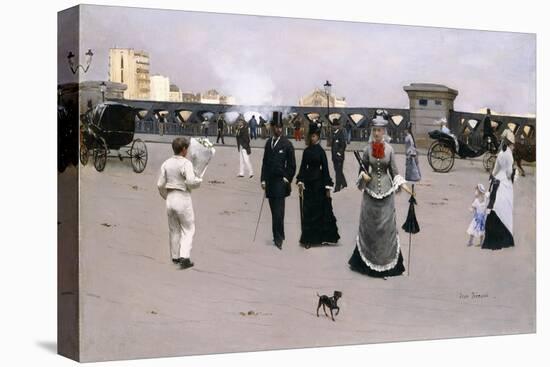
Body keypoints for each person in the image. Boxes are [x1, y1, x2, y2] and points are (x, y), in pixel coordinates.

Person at [348, 113, 414, 278]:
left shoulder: (390, 150)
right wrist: (364, 176)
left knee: (386, 229)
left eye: (379, 130)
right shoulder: (366, 150)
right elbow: (361, 171)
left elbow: (395, 173)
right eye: (374, 130)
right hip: (370, 194)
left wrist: (407, 188)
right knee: (369, 229)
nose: (377, 133)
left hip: (386, 194)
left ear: (384, 131)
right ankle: (367, 264)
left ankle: (387, 265)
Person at [157, 137, 203, 269]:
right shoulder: (186, 163)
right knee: (188, 228)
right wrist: (198, 181)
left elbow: (160, 184)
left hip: (170, 197)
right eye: (186, 148)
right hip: (182, 197)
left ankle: (175, 256)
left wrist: (166, 196)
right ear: (183, 149)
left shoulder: (166, 163)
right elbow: (190, 182)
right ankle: (185, 257)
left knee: (174, 229)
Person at [296, 122, 340, 248]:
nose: (313, 138)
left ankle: (320, 238)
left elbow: (325, 169)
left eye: (315, 136)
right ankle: (308, 239)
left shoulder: (321, 152)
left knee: (319, 211)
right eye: (311, 136)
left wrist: (327, 185)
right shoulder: (306, 151)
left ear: (318, 137)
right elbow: (303, 167)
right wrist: (300, 180)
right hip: (309, 183)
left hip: (319, 183)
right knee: (308, 210)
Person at [260, 111, 297, 249]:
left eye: (280, 127)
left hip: (281, 183)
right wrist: (263, 180)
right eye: (276, 127)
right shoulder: (268, 143)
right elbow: (264, 163)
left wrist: (287, 178)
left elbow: (292, 165)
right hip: (270, 183)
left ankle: (278, 238)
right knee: (273, 212)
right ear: (272, 127)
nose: (278, 129)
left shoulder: (287, 144)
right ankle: (279, 234)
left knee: (279, 212)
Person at [482, 129, 516, 250]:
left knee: (494, 206)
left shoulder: (501, 153)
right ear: (510, 144)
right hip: (504, 184)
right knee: (505, 209)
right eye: (513, 144)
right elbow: (508, 173)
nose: (513, 146)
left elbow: (495, 169)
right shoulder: (509, 155)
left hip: (496, 182)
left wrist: (492, 177)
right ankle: (503, 238)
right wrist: (514, 172)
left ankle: (490, 238)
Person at [331, 122, 348, 192]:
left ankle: (337, 187)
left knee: (338, 172)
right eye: (333, 125)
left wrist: (339, 153)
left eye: (335, 125)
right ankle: (344, 183)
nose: (334, 127)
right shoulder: (333, 133)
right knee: (337, 170)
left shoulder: (340, 133)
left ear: (338, 126)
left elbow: (343, 145)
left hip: (339, 157)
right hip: (334, 156)